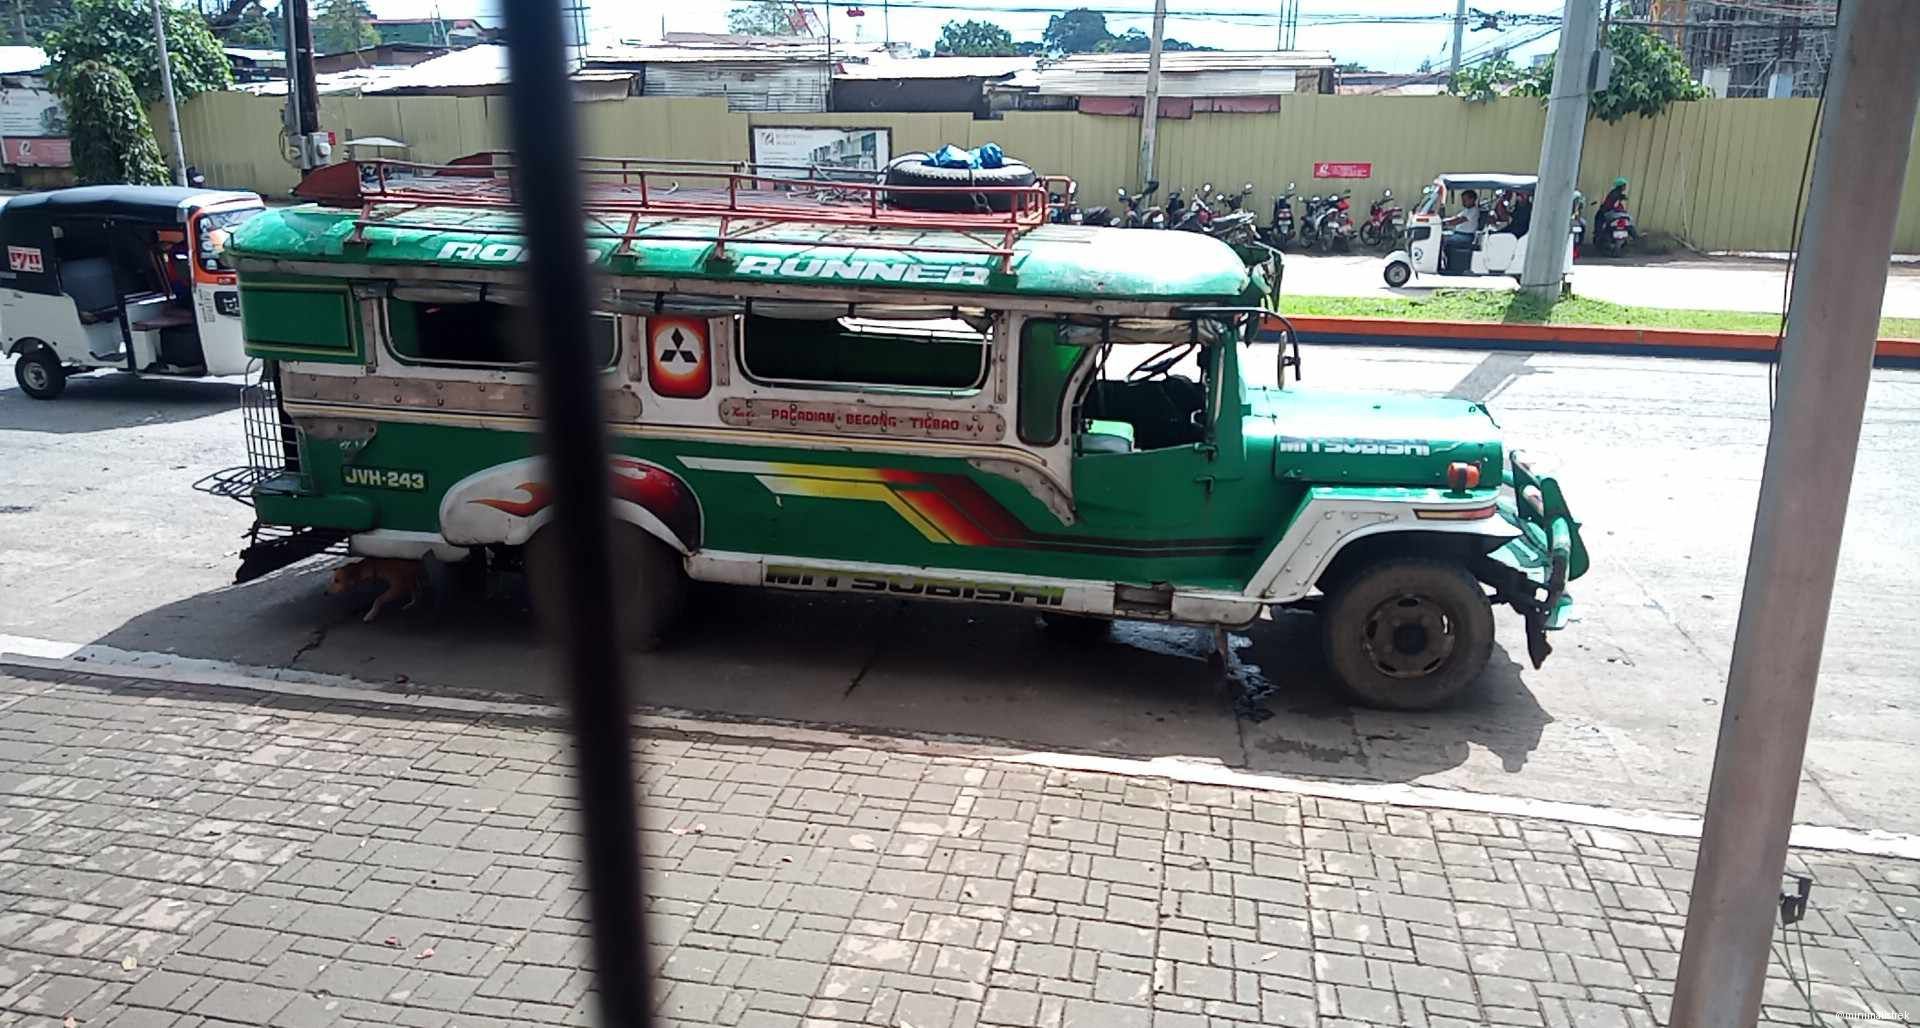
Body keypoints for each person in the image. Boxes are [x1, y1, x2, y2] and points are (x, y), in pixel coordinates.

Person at [1442, 188, 1481, 272]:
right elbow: (1455, 217)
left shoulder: (1473, 211)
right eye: (1462, 200)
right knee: (1443, 237)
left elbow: (1458, 220)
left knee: (1445, 241)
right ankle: (1447, 264)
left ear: (1472, 199)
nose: (1463, 202)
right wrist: (1443, 220)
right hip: (1459, 234)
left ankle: (1450, 266)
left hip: (1466, 236)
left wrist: (1446, 224)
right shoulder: (1467, 210)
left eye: (1465, 200)